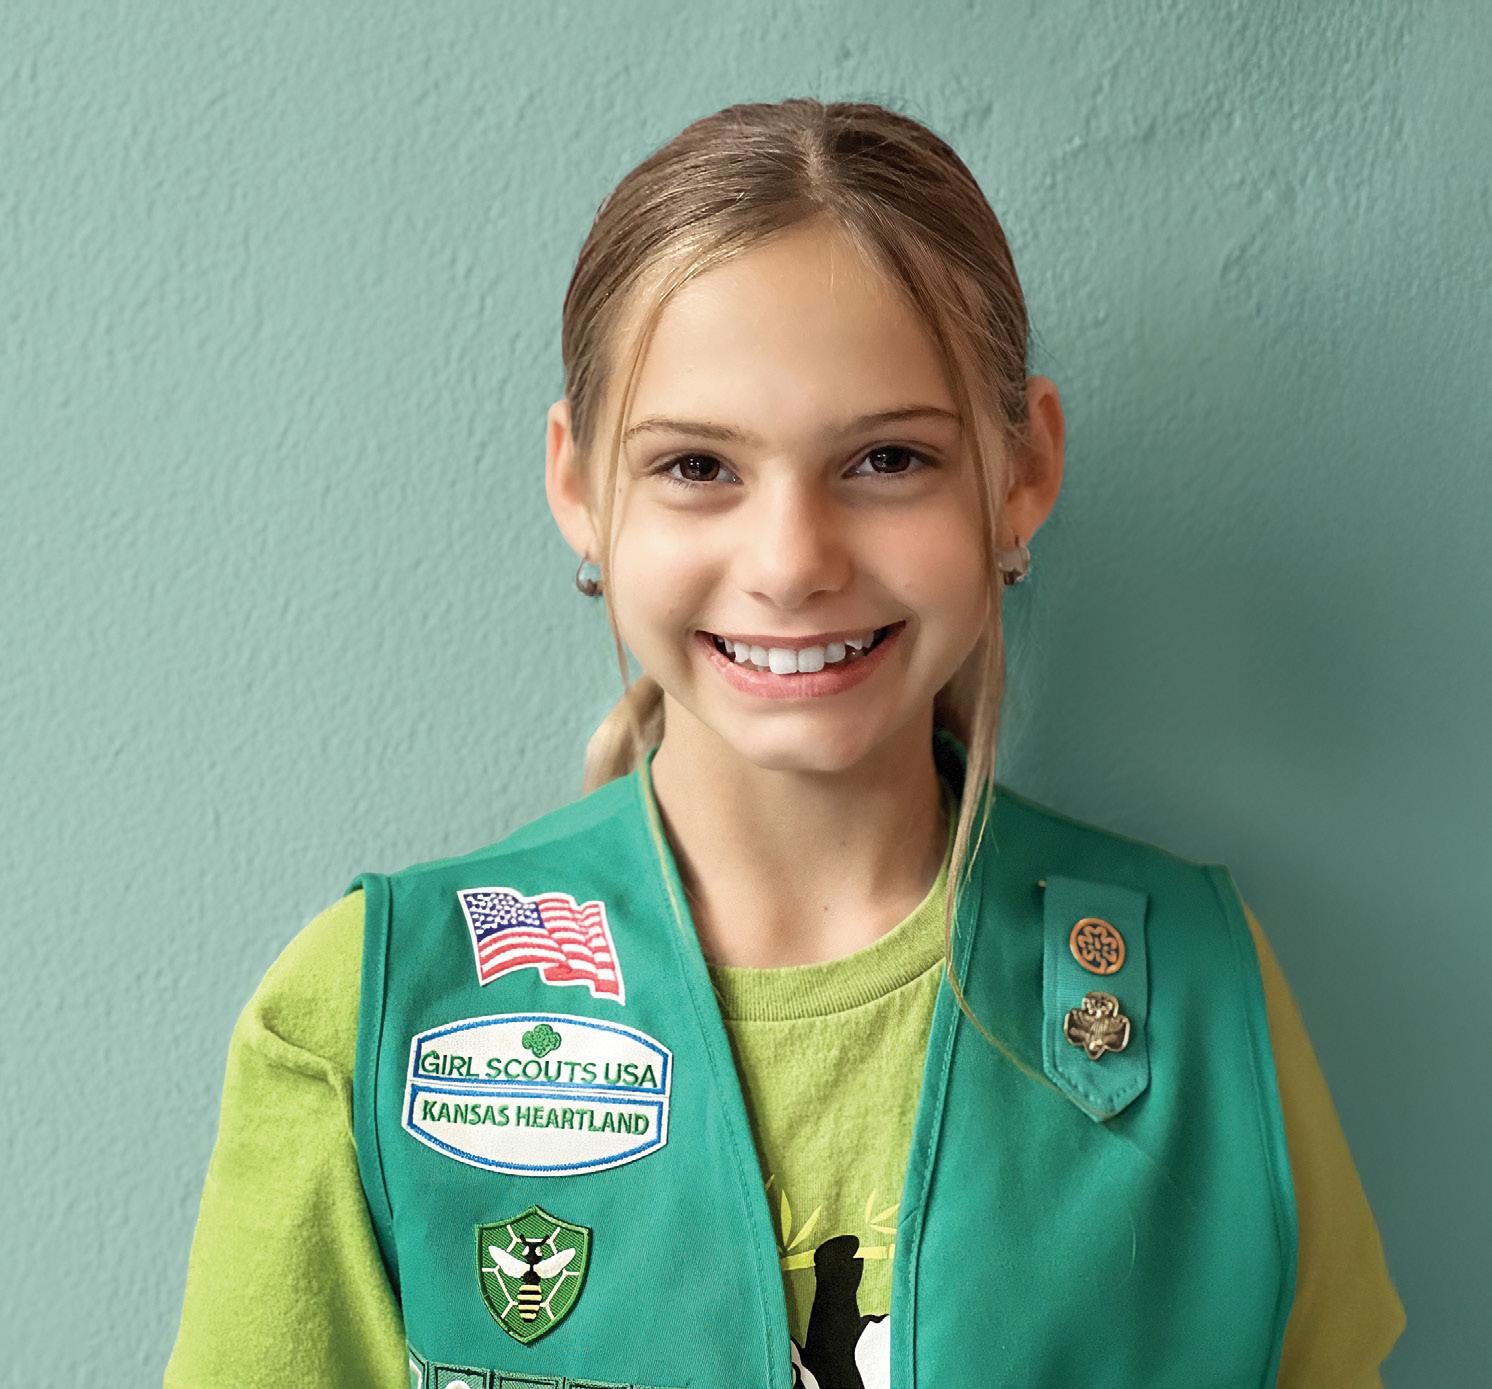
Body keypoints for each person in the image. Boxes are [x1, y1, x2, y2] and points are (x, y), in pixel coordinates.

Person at [166, 97, 1406, 1388]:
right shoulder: (369, 1014)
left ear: (1022, 472)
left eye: (888, 458)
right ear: (580, 486)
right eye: (698, 466)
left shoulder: (1193, 989)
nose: (792, 562)